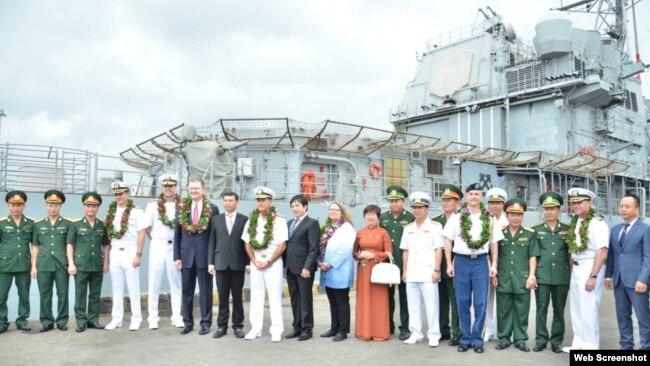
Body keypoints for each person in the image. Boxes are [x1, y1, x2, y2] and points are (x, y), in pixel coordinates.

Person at [443, 183, 502, 353]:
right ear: (466, 197)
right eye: (471, 194)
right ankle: (465, 338)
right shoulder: (457, 217)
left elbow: (494, 243)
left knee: (480, 302)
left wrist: (494, 264)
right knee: (462, 301)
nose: (474, 197)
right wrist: (449, 263)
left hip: (481, 262)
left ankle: (477, 340)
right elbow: (448, 241)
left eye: (477, 194)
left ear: (481, 197)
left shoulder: (489, 218)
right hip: (461, 261)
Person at [562, 188, 609, 352]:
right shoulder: (576, 221)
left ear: (588, 203)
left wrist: (593, 275)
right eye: (573, 203)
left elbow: (602, 251)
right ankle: (579, 342)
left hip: (591, 267)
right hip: (576, 267)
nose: (574, 206)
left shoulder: (597, 223)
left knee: (589, 307)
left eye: (579, 202)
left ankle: (591, 345)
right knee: (576, 308)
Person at [174, 177, 220, 335]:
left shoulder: (212, 209)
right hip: (185, 257)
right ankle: (187, 322)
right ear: (188, 190)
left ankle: (206, 323)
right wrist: (176, 257)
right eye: (191, 188)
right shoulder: (181, 209)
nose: (193, 191)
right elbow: (177, 235)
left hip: (204, 258)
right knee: (186, 291)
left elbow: (214, 237)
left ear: (202, 190)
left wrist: (212, 260)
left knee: (205, 292)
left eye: (196, 188)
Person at [242, 187, 288, 342]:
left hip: (272, 261)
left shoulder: (279, 220)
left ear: (270, 201)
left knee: (275, 295)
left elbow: (282, 245)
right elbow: (247, 243)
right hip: (256, 261)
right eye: (258, 200)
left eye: (263, 200)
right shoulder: (251, 219)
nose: (260, 202)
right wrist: (254, 261)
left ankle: (276, 330)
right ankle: (256, 328)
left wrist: (269, 261)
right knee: (256, 295)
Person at [605, 194, 650, 350]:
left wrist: (643, 279)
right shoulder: (615, 229)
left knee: (643, 317)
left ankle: (646, 346)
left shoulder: (645, 230)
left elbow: (648, 257)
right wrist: (608, 276)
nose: (623, 209)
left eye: (627, 206)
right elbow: (611, 254)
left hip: (637, 282)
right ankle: (626, 346)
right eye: (621, 206)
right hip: (619, 281)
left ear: (637, 209)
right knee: (622, 316)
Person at [494, 198, 539, 352]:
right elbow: (494, 255)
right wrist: (494, 275)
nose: (515, 218)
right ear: (507, 215)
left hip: (522, 278)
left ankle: (520, 339)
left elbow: (532, 256)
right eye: (512, 214)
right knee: (503, 310)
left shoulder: (529, 234)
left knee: (522, 311)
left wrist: (532, 276)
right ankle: (504, 338)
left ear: (523, 216)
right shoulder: (499, 233)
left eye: (519, 215)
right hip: (503, 277)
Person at [400, 191, 444, 347]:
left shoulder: (435, 227)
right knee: (412, 305)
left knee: (431, 305)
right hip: (412, 271)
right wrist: (404, 271)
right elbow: (406, 250)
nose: (417, 210)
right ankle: (416, 333)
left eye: (420, 207)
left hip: (428, 271)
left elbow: (439, 249)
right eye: (415, 207)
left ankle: (433, 334)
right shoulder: (408, 228)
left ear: (427, 209)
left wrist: (437, 270)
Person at [142, 174, 183, 329]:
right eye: (166, 186)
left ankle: (177, 316)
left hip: (175, 246)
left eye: (171, 186)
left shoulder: (182, 205)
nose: (168, 188)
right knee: (154, 280)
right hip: (158, 244)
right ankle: (153, 317)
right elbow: (146, 226)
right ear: (162, 188)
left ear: (175, 187)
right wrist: (154, 239)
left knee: (176, 281)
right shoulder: (153, 205)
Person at [105, 181, 146, 331]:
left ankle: (136, 318)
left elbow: (141, 234)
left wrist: (138, 254)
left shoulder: (137, 212)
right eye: (116, 194)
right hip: (115, 251)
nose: (118, 197)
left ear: (128, 194)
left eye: (121, 193)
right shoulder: (111, 212)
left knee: (133, 287)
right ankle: (117, 318)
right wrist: (107, 259)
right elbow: (109, 237)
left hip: (130, 250)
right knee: (116, 287)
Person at [207, 191, 249, 339]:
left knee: (237, 297)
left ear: (237, 202)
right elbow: (211, 242)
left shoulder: (245, 220)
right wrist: (210, 262)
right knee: (223, 297)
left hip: (238, 264)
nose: (227, 203)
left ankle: (238, 326)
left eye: (230, 200)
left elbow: (247, 244)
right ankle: (222, 326)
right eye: (225, 201)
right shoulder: (215, 220)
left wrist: (248, 263)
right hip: (220, 263)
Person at [532, 192, 570, 353]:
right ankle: (541, 339)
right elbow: (533, 254)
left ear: (559, 210)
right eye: (546, 209)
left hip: (561, 276)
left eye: (552, 209)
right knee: (541, 309)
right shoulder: (536, 230)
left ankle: (556, 340)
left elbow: (570, 254)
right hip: (542, 276)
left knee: (559, 311)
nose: (549, 212)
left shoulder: (568, 230)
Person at [66, 192, 110, 332]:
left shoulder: (102, 225)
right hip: (81, 265)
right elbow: (70, 245)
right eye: (88, 206)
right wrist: (71, 263)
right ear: (84, 207)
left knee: (95, 294)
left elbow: (106, 245)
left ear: (97, 208)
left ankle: (93, 320)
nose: (90, 209)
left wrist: (106, 263)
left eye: (93, 206)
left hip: (97, 264)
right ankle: (80, 321)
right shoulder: (76, 224)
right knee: (80, 294)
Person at [31, 190, 72, 332]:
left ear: (60, 206)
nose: (53, 208)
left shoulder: (68, 224)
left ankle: (62, 321)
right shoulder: (38, 224)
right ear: (46, 206)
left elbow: (70, 245)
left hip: (61, 264)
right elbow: (35, 246)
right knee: (45, 294)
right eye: (50, 205)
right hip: (43, 264)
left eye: (56, 205)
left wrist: (70, 263)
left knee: (63, 293)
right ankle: (47, 321)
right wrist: (33, 266)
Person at [380, 185, 414, 340]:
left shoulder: (411, 218)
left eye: (396, 201)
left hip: (404, 263)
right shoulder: (383, 218)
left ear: (403, 201)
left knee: (405, 297)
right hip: (387, 263)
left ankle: (405, 327)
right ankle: (388, 325)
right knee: (387, 296)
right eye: (391, 201)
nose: (393, 204)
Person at [318, 201, 356, 342]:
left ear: (342, 212)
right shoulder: (327, 228)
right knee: (332, 301)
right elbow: (321, 247)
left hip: (340, 270)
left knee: (341, 301)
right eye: (330, 209)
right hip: (327, 270)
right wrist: (320, 262)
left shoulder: (347, 229)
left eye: (336, 209)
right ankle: (334, 328)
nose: (332, 211)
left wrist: (330, 263)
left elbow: (345, 251)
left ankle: (343, 331)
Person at [354, 204, 392, 341]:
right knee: (364, 299)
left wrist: (374, 255)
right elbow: (354, 252)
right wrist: (359, 255)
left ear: (378, 217)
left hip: (377, 270)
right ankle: (364, 331)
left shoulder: (383, 233)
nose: (370, 217)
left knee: (378, 301)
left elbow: (389, 253)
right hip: (363, 269)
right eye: (367, 214)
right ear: (364, 217)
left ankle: (379, 332)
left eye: (373, 214)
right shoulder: (360, 232)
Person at [284, 194, 320, 341]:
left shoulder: (312, 224)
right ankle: (297, 327)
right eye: (292, 206)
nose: (295, 209)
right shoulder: (289, 223)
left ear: (305, 207)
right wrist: (285, 267)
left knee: (305, 299)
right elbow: (286, 246)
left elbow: (313, 248)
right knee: (294, 299)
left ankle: (307, 329)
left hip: (304, 269)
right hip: (291, 268)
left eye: (297, 205)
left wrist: (307, 267)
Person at [432, 184, 462, 346]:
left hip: (457, 266)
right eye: (443, 199)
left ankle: (457, 333)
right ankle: (444, 330)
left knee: (456, 301)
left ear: (458, 202)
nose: (445, 202)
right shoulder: (435, 222)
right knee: (441, 300)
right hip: (438, 267)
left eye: (449, 200)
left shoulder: (463, 220)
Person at [0, 191, 35, 333]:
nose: (16, 208)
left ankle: (22, 320)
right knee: (1, 295)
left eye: (19, 205)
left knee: (24, 295)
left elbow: (35, 245)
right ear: (8, 206)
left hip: (24, 265)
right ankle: (2, 321)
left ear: (24, 206)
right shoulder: (2, 224)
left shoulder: (31, 223)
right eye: (13, 205)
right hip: (4, 265)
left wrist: (33, 266)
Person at [484, 187, 508, 343]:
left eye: (498, 203)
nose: (495, 206)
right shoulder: (483, 220)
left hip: (505, 266)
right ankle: (488, 329)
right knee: (486, 299)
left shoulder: (509, 221)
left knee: (503, 300)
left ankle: (502, 330)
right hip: (486, 264)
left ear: (503, 204)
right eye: (492, 202)